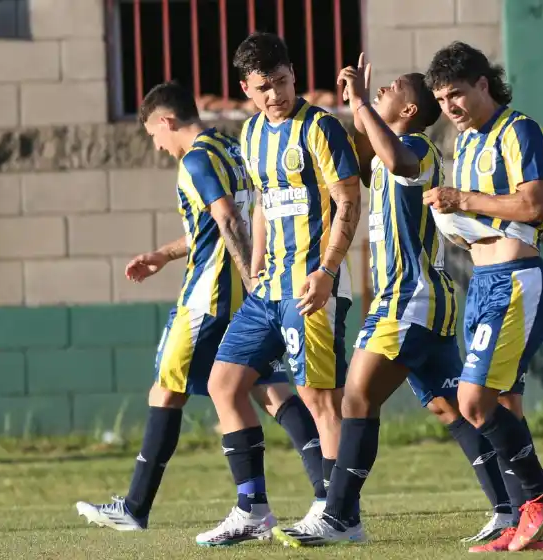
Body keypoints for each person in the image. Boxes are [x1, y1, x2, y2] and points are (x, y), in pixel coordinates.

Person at [272, 54, 514, 547]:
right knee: (453, 408)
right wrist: (350, 110)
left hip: (410, 299)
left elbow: (398, 160)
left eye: (389, 89)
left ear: (407, 110)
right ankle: (510, 507)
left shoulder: (418, 149)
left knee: (356, 398)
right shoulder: (386, 153)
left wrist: (362, 103)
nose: (381, 90)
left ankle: (340, 515)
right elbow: (362, 161)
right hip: (413, 301)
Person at [74, 81, 327, 533]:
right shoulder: (229, 149)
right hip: (244, 299)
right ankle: (325, 493)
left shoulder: (194, 159)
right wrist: (163, 255)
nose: (157, 145)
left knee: (165, 389)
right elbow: (213, 223)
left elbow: (228, 217)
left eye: (154, 134)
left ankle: (136, 507)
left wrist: (252, 282)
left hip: (207, 301)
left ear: (166, 121)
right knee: (270, 391)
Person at [192, 32, 362, 546]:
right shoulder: (250, 135)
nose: (275, 95)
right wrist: (258, 264)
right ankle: (252, 510)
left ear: (293, 74)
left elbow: (348, 201)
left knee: (319, 400)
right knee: (224, 384)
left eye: (282, 82)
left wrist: (328, 271)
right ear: (246, 87)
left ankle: (340, 516)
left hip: (315, 284)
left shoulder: (321, 128)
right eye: (263, 87)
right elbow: (264, 201)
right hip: (269, 289)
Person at [421, 41, 543, 553]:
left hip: (515, 282)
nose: (449, 108)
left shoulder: (518, 130)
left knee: (473, 401)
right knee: (505, 402)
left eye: (456, 95)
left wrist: (462, 199)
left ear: (484, 84)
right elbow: (487, 218)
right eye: (441, 100)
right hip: (483, 282)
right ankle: (524, 522)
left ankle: (542, 495)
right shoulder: (465, 144)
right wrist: (455, 223)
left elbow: (533, 204)